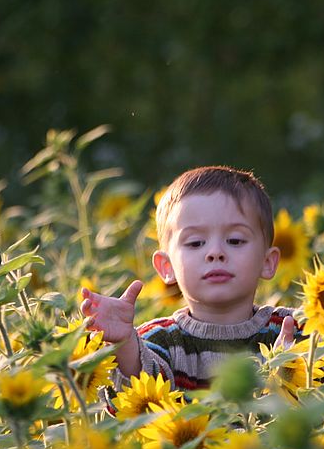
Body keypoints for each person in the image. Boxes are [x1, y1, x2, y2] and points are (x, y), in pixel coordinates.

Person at [80, 165, 302, 392]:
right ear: (167, 267)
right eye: (196, 243)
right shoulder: (161, 341)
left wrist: (295, 366)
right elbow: (140, 396)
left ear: (267, 262)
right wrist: (124, 345)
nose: (215, 252)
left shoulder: (292, 329)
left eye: (235, 240)